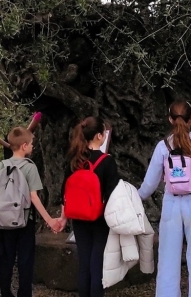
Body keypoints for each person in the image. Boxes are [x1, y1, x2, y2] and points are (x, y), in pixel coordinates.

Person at [138, 101, 191, 297]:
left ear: (170, 119)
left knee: (167, 260)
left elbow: (149, 184)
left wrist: (133, 196)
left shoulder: (162, 146)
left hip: (171, 204)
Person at [0, 126, 64, 297]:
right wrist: (50, 220)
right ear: (24, 146)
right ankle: (24, 293)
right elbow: (34, 197)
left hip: (2, 219)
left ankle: (5, 292)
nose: (32, 146)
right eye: (31, 144)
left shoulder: (1, 165)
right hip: (24, 219)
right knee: (25, 260)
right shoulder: (30, 167)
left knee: (6, 258)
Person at [54, 117, 120, 297]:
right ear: (99, 136)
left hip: (78, 218)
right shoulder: (107, 161)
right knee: (97, 263)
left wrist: (63, 218)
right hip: (99, 219)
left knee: (84, 262)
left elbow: (64, 193)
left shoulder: (75, 159)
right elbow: (113, 194)